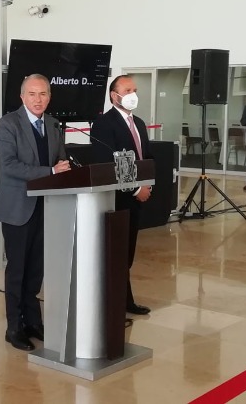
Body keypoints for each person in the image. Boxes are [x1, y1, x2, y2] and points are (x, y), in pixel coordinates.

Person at [0, 73, 70, 351]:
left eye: (43, 94)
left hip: (46, 207)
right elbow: (10, 165)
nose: (38, 100)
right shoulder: (9, 123)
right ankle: (14, 327)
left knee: (36, 269)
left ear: (49, 97)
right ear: (22, 96)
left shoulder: (53, 124)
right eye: (32, 94)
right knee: (17, 270)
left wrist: (64, 169)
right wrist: (50, 172)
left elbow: (61, 160)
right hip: (17, 207)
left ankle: (33, 322)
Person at [90, 75, 152, 315]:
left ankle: (125, 300)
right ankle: (116, 303)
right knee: (116, 253)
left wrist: (146, 185)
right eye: (127, 90)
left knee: (127, 253)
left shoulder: (140, 123)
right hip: (117, 199)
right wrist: (135, 189)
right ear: (113, 95)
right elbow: (108, 163)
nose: (132, 95)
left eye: (134, 90)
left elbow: (146, 157)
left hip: (137, 199)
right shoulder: (104, 124)